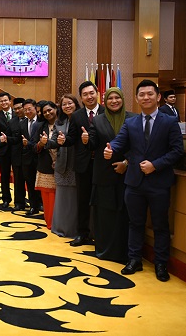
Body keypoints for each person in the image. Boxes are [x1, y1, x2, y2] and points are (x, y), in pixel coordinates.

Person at [104, 80, 184, 282]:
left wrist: (155, 165)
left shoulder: (169, 122)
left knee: (160, 225)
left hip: (159, 182)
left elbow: (177, 151)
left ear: (158, 97)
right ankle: (134, 260)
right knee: (135, 223)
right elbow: (120, 142)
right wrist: (111, 148)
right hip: (134, 182)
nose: (146, 97)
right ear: (137, 98)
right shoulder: (130, 123)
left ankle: (161, 264)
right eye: (142, 94)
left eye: (150, 94)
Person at [84, 87, 135, 262]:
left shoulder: (133, 118)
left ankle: (124, 252)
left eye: (117, 97)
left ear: (122, 99)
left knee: (123, 214)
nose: (114, 101)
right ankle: (104, 250)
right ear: (105, 102)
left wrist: (126, 163)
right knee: (105, 214)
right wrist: (86, 140)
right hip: (104, 174)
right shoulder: (98, 120)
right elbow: (93, 144)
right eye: (110, 98)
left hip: (127, 174)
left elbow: (138, 146)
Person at [69, 80, 104, 246]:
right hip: (83, 164)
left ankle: (102, 234)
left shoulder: (106, 112)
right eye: (85, 95)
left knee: (102, 200)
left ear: (97, 93)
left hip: (103, 163)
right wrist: (62, 140)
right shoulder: (76, 116)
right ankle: (82, 233)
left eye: (91, 93)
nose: (89, 97)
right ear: (81, 98)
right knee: (82, 200)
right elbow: (71, 138)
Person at [50, 94, 79, 238]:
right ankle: (61, 227)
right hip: (62, 164)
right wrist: (46, 142)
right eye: (64, 104)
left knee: (76, 197)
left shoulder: (81, 119)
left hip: (77, 163)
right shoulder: (59, 122)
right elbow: (54, 142)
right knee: (62, 198)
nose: (67, 106)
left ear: (76, 104)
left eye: (70, 103)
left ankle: (76, 229)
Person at [34, 101, 58, 229]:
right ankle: (50, 223)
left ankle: (61, 223)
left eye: (50, 110)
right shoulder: (40, 126)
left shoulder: (65, 124)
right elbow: (34, 147)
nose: (48, 113)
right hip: (45, 166)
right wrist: (41, 144)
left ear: (56, 109)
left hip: (64, 165)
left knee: (62, 197)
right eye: (44, 112)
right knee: (48, 197)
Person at [19, 99, 43, 215]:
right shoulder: (22, 123)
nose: (27, 112)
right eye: (25, 110)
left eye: (30, 109)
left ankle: (42, 203)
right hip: (27, 158)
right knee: (30, 182)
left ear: (35, 108)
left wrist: (29, 144)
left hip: (40, 157)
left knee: (41, 182)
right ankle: (33, 206)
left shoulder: (42, 122)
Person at [0, 92, 14, 206]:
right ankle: (6, 198)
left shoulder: (17, 113)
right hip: (3, 149)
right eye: (1, 101)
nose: (4, 103)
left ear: (10, 101)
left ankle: (20, 199)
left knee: (19, 176)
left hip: (16, 148)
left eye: (5, 100)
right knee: (4, 175)